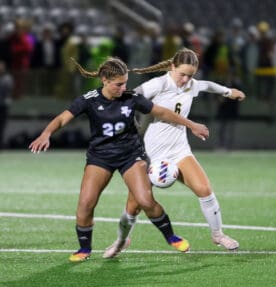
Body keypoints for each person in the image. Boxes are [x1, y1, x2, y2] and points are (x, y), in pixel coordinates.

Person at [29, 56, 209, 262]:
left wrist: (191, 124)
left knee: (145, 200)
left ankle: (171, 236)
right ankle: (84, 248)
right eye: (119, 84)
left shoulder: (131, 98)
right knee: (85, 204)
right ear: (104, 80)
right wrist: (46, 134)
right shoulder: (89, 100)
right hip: (100, 157)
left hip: (131, 155)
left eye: (125, 83)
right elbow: (63, 118)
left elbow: (163, 112)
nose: (124, 88)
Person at [103, 48, 246, 259]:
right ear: (172, 67)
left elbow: (207, 85)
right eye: (183, 74)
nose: (186, 79)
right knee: (134, 204)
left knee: (205, 189)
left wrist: (227, 92)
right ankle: (121, 241)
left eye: (191, 75)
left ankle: (218, 235)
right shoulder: (159, 84)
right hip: (150, 153)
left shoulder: (192, 84)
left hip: (179, 150)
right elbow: (133, 95)